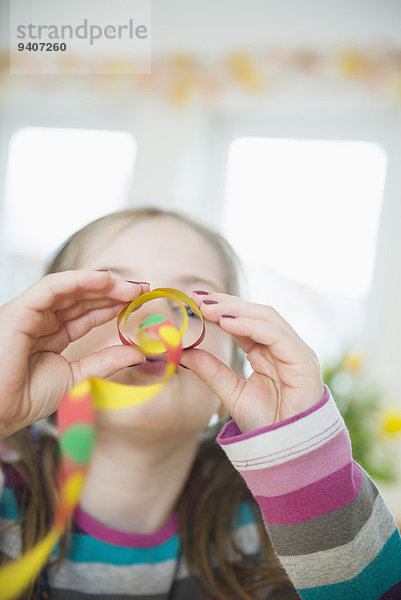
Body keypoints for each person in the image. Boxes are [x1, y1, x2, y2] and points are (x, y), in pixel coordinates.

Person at [0, 206, 400, 600]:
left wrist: (298, 456)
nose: (155, 320)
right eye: (111, 298)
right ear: (45, 343)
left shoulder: (276, 528)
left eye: (189, 308)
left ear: (237, 369)